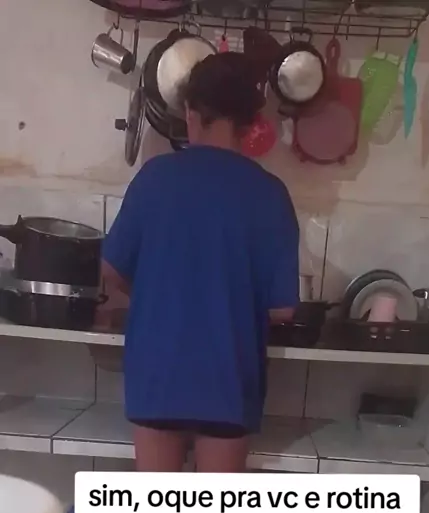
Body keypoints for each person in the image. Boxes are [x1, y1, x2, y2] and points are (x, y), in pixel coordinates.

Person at [101, 52, 299, 473]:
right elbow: (282, 309)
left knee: (157, 511)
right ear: (249, 123)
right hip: (228, 382)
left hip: (157, 376)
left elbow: (111, 270)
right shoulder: (270, 194)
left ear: (191, 112)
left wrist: (156, 292)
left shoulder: (155, 178)